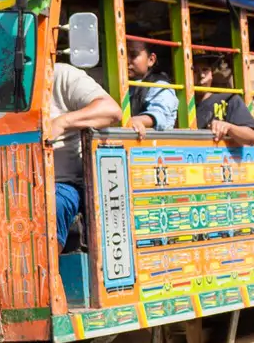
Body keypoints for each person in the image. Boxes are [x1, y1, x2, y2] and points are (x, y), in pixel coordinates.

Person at [44, 61, 123, 245]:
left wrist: (62, 122)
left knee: (51, 205)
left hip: (62, 183)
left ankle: (47, 271)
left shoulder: (60, 75)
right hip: (13, 184)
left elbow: (111, 111)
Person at [193, 57, 254, 146]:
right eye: (195, 71)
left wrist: (228, 127)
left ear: (212, 74)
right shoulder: (180, 106)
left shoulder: (229, 99)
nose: (201, 75)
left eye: (205, 70)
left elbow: (251, 138)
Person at [125, 40, 178, 133]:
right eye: (122, 55)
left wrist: (137, 120)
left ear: (151, 60)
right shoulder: (126, 86)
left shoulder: (160, 86)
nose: (126, 61)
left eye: (133, 55)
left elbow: (160, 114)